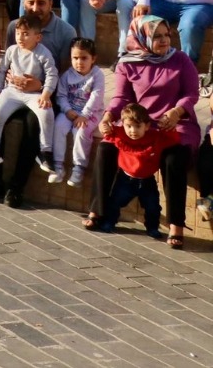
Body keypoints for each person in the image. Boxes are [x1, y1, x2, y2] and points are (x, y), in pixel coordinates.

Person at [85, 16, 199, 248]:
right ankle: (98, 210)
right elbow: (122, 98)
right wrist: (108, 116)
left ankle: (176, 224)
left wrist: (176, 112)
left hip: (175, 124)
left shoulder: (180, 59)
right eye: (157, 36)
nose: (165, 40)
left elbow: (191, 94)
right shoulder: (128, 63)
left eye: (167, 35)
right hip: (140, 125)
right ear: (142, 38)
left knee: (174, 158)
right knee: (106, 147)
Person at [0, 14, 60, 175]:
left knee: (46, 113)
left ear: (38, 37)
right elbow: (1, 71)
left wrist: (46, 94)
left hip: (34, 93)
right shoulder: (12, 51)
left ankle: (45, 152)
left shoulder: (43, 53)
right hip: (12, 91)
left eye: (26, 34)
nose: (21, 37)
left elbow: (52, 75)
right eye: (18, 33)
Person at [97, 102, 179, 239]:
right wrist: (105, 124)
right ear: (122, 124)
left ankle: (152, 227)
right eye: (128, 126)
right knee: (115, 202)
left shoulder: (155, 137)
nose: (133, 131)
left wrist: (170, 128)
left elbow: (173, 139)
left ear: (147, 126)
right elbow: (107, 134)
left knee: (153, 206)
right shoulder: (119, 134)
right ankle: (109, 222)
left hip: (147, 181)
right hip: (125, 179)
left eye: (138, 126)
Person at [50, 38, 106, 188]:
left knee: (80, 132)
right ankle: (58, 166)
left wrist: (85, 115)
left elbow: (96, 96)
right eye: (75, 58)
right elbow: (61, 96)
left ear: (93, 58)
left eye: (84, 58)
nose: (79, 62)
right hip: (71, 111)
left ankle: (78, 168)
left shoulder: (97, 75)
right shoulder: (67, 75)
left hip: (91, 112)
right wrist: (67, 110)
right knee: (59, 126)